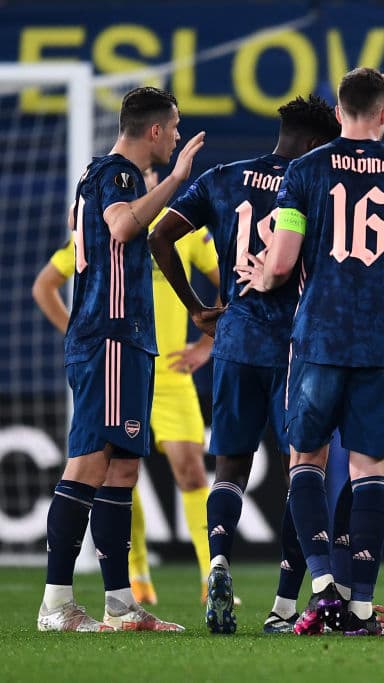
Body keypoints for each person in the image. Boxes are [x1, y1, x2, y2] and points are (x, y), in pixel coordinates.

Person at [253, 67, 384, 636]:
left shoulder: (303, 172)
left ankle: (322, 590)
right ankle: (362, 607)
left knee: (307, 459)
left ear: (340, 113)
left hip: (318, 336)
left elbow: (285, 260)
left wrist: (263, 276)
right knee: (371, 470)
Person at [150, 95, 342, 634]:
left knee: (231, 468)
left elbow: (160, 236)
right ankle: (284, 606)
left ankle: (217, 565)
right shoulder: (316, 184)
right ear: (311, 143)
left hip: (235, 341)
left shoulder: (224, 177)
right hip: (297, 346)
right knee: (303, 471)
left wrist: (195, 308)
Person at [36, 86, 204, 632]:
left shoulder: (100, 176)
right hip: (108, 338)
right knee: (90, 462)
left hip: (124, 340)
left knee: (123, 470)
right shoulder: (120, 174)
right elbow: (123, 226)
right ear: (155, 130)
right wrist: (177, 179)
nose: (177, 136)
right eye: (174, 127)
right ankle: (56, 603)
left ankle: (119, 604)